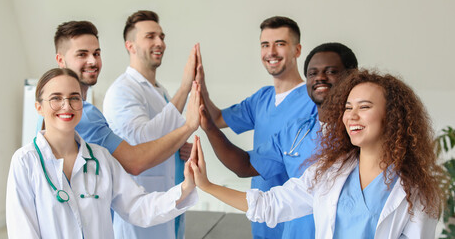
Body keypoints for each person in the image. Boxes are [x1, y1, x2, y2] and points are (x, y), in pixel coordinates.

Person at [190, 69, 445, 238]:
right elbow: (270, 205)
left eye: (364, 107)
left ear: (392, 116)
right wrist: (207, 185)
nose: (352, 116)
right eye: (347, 108)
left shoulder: (415, 190)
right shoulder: (330, 171)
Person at [6, 68, 199, 238]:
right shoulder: (25, 162)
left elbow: (138, 207)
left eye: (74, 97)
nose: (67, 105)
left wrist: (184, 189)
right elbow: (22, 232)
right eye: (56, 98)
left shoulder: (101, 158)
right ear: (39, 107)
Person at [200, 42, 358, 238]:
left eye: (331, 71)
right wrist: (209, 128)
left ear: (353, 77)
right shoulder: (296, 132)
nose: (320, 78)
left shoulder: (361, 134)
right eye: (312, 73)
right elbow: (245, 166)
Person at [197, 16, 315, 239]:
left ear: (297, 50)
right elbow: (218, 118)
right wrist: (200, 86)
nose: (271, 52)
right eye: (265, 45)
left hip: (299, 219)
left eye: (280, 43)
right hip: (262, 216)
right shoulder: (262, 99)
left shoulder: (313, 101)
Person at [49, 20, 198, 177]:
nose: (92, 61)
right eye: (82, 54)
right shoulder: (82, 113)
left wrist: (177, 146)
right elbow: (135, 161)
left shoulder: (75, 109)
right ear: (60, 60)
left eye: (96, 54)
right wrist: (188, 126)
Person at [102, 10, 198, 239]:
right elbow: (142, 143)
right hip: (139, 216)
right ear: (130, 45)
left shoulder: (160, 91)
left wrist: (180, 148)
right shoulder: (122, 90)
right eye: (150, 36)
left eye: (162, 36)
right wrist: (185, 88)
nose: (160, 43)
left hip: (169, 206)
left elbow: (164, 138)